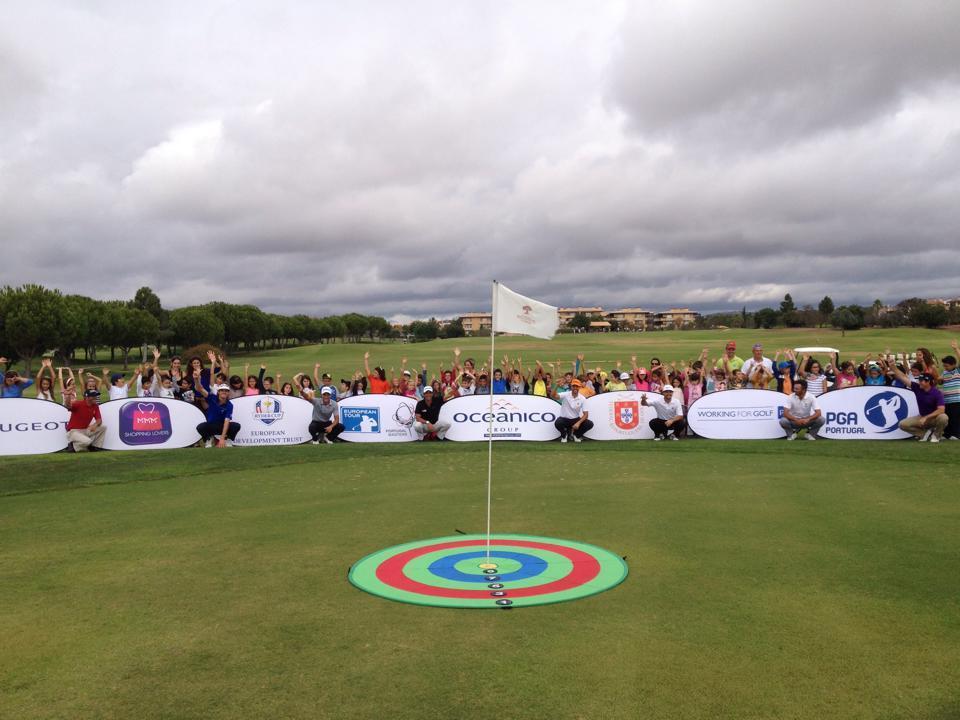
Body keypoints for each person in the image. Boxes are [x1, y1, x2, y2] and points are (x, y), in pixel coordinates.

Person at [889, 365, 948, 443]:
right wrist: (893, 366)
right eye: (919, 380)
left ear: (928, 382)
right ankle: (925, 434)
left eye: (921, 381)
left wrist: (926, 417)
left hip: (934, 418)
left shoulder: (937, 393)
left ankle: (936, 436)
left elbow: (941, 410)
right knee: (902, 424)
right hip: (922, 417)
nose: (918, 382)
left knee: (943, 417)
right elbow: (902, 377)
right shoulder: (917, 387)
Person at [194, 377, 241, 447]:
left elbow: (227, 421)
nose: (224, 392)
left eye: (226, 390)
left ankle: (228, 441)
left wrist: (222, 438)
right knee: (200, 427)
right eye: (222, 390)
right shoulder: (212, 397)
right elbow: (199, 389)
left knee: (236, 426)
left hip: (222, 426)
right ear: (218, 392)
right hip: (211, 425)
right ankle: (208, 439)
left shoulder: (229, 405)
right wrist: (196, 379)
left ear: (228, 393)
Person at [940, 342, 960, 439]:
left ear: (953, 365)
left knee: (955, 418)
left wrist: (956, 349)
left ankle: (956, 434)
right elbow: (940, 381)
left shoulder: (957, 371)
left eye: (947, 365)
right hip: (946, 400)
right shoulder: (944, 372)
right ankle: (947, 434)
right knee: (948, 417)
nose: (945, 367)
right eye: (944, 365)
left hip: (956, 400)